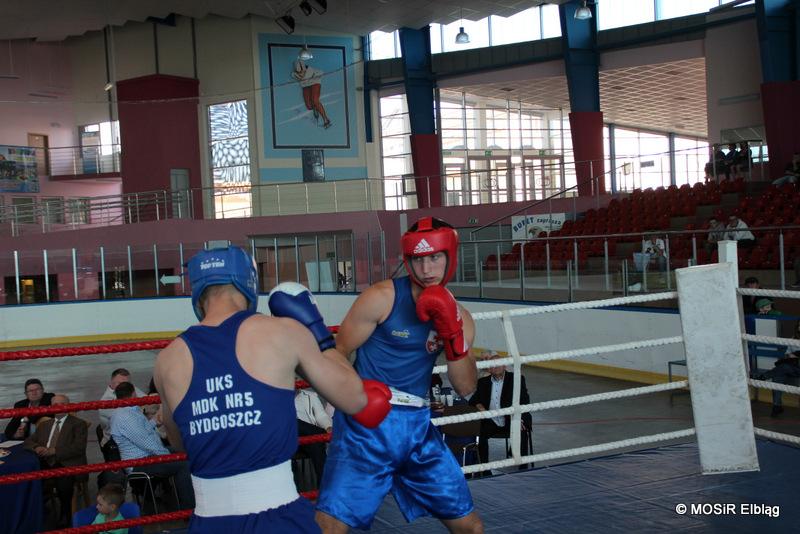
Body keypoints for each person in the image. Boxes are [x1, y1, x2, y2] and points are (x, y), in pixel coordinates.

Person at [153, 245, 390, 533]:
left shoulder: (167, 360)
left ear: (198, 292)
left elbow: (180, 442)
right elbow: (355, 399)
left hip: (208, 522)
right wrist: (317, 332)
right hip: (278, 517)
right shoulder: (283, 332)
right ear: (248, 282)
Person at [315, 216, 484, 533]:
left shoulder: (460, 317)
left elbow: (466, 387)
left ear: (450, 257)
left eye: (434, 258)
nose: (426, 269)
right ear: (408, 261)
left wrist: (453, 336)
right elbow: (337, 353)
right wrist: (350, 399)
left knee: (470, 527)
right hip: (365, 427)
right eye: (418, 260)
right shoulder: (381, 298)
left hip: (417, 429)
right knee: (330, 526)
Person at [109, 382, 195, 511]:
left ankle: (189, 497)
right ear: (133, 394)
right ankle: (188, 509)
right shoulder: (125, 417)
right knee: (183, 464)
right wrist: (167, 456)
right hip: (140, 462)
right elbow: (146, 442)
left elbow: (141, 432)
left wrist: (154, 421)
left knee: (183, 451)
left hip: (147, 455)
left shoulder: (129, 410)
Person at [23, 394, 88, 528]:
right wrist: (37, 447)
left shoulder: (78, 424)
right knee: (28, 477)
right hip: (46, 462)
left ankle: (66, 516)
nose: (57, 407)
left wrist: (54, 450)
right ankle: (36, 513)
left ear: (68, 406)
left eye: (61, 404)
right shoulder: (44, 425)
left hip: (67, 463)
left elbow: (78, 448)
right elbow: (28, 441)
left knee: (63, 485)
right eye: (54, 405)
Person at [468, 352, 532, 474]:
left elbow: (525, 400)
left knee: (521, 429)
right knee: (478, 433)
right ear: (489, 368)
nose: (495, 367)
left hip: (511, 419)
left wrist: (519, 417)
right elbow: (473, 400)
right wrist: (480, 406)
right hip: (491, 421)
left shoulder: (516, 379)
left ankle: (523, 469)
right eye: (492, 365)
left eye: (499, 364)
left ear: (504, 366)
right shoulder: (483, 382)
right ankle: (484, 469)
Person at [98, 369, 146, 455]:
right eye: (120, 383)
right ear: (111, 383)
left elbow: (149, 401)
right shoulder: (105, 402)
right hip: (117, 442)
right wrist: (143, 409)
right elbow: (129, 419)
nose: (124, 386)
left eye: (127, 384)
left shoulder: (129, 388)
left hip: (135, 433)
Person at [758, 321, 800, 417]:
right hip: (792, 368)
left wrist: (797, 355)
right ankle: (777, 406)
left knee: (782, 368)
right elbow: (786, 353)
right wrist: (789, 355)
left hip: (795, 368)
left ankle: (765, 376)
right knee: (778, 376)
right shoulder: (793, 338)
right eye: (799, 325)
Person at [294, 387, 333, 485]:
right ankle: (319, 434)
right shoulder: (278, 395)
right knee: (292, 421)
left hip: (308, 438)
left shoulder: (310, 395)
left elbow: (321, 416)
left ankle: (324, 486)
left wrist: (328, 427)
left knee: (316, 442)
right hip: (289, 438)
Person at [292, 58, 331, 129]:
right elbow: (294, 75)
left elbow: (321, 72)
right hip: (305, 86)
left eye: (302, 72)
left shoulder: (312, 71)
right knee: (309, 106)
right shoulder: (296, 75)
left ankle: (326, 119)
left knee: (315, 100)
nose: (301, 74)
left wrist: (314, 77)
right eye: (299, 73)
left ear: (305, 69)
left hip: (315, 83)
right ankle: (315, 108)